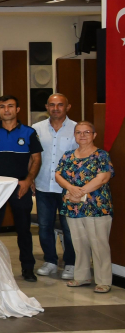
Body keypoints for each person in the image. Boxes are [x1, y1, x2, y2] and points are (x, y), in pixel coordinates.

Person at [0, 95, 42, 282]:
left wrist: (28, 180)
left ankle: (28, 268)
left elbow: (36, 159)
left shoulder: (29, 133)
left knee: (24, 230)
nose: (6, 110)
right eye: (2, 106)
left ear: (17, 109)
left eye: (10, 106)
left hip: (20, 186)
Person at [56, 122, 114, 293]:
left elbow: (103, 178)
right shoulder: (68, 155)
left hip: (96, 207)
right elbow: (58, 175)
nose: (82, 135)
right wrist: (71, 189)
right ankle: (82, 276)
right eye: (78, 132)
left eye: (87, 132)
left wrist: (79, 192)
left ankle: (104, 280)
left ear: (94, 135)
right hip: (73, 206)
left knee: (99, 244)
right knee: (78, 243)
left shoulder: (101, 155)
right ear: (74, 135)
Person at [34, 93, 77, 280]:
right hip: (43, 185)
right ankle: (50, 261)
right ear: (46, 107)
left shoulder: (77, 129)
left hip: (68, 189)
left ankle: (71, 264)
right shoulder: (36, 129)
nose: (56, 108)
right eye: (52, 105)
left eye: (60, 105)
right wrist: (31, 178)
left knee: (69, 229)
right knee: (44, 227)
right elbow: (32, 157)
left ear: (68, 107)